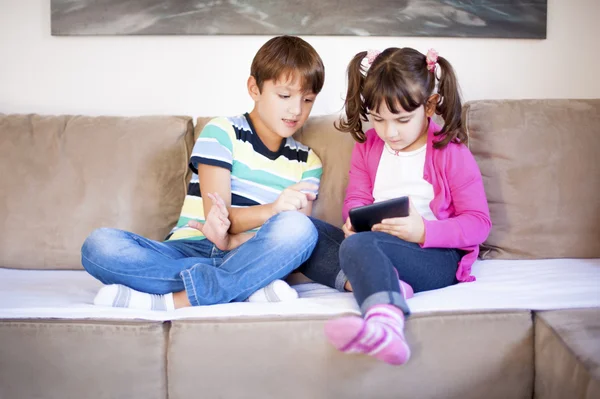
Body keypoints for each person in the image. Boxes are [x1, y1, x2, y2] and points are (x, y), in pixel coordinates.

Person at [80, 35, 328, 310]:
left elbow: (295, 236)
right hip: (189, 249)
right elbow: (218, 218)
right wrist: (272, 210)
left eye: (308, 100)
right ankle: (245, 287)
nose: (296, 110)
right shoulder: (222, 132)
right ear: (254, 88)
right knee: (99, 245)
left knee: (302, 230)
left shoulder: (309, 161)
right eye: (284, 96)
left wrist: (237, 242)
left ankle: (177, 299)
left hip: (249, 253)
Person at [311, 47, 491, 365]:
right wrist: (353, 220)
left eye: (402, 119)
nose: (390, 132)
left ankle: (386, 325)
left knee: (357, 248)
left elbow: (478, 223)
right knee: (304, 233)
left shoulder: (450, 152)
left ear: (430, 105)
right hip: (376, 244)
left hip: (435, 257)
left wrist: (424, 231)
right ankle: (390, 283)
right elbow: (357, 198)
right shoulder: (367, 148)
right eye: (379, 119)